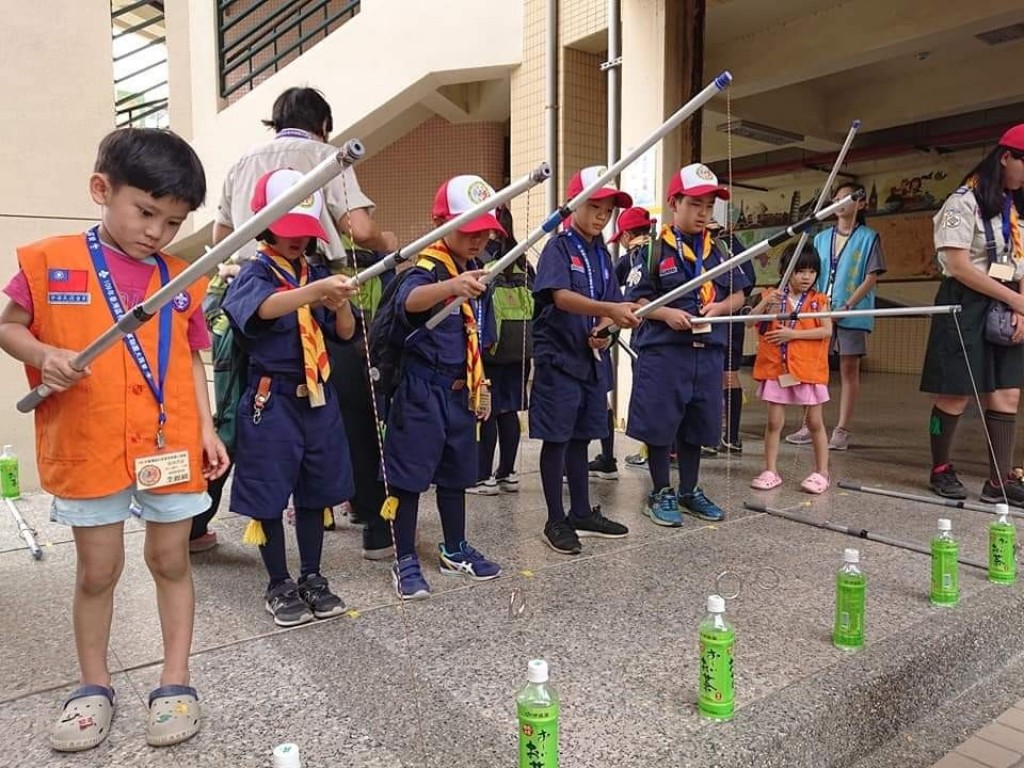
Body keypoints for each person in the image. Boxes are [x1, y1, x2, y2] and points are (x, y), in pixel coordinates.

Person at [0, 127, 229, 751]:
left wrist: (207, 428)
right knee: (98, 570)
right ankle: (93, 687)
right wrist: (43, 353)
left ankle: (176, 682)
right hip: (89, 439)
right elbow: (8, 326)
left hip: (169, 443)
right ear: (102, 189)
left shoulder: (183, 276)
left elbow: (188, 359)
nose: (155, 231)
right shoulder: (49, 260)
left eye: (172, 219)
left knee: (170, 560)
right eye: (145, 211)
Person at [222, 168, 359, 626]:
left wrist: (337, 306)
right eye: (288, 231)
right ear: (267, 226)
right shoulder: (255, 272)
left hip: (317, 398)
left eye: (305, 232)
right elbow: (262, 309)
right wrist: (312, 293)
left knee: (316, 490)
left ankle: (313, 575)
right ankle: (279, 581)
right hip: (272, 400)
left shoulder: (317, 273)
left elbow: (345, 334)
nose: (298, 240)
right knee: (268, 493)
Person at [383, 174, 503, 599]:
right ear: (440, 223)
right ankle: (404, 559)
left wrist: (480, 383)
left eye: (485, 231)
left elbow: (475, 335)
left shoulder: (473, 269)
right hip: (421, 389)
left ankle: (454, 548)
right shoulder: (429, 266)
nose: (478, 239)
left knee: (456, 474)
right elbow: (409, 301)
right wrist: (451, 288)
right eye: (468, 230)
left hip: (459, 390)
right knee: (410, 478)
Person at [625, 163, 750, 527]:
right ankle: (661, 490)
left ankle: (689, 490)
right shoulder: (651, 250)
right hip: (665, 352)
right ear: (674, 203)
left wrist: (721, 307)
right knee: (661, 425)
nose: (703, 213)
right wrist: (666, 315)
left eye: (709, 206)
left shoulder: (721, 249)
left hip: (707, 352)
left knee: (698, 424)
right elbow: (634, 303)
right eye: (696, 205)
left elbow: (740, 294)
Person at [530, 167, 641, 554]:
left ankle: (580, 511)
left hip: (590, 359)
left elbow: (609, 305)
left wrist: (605, 325)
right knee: (557, 440)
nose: (600, 216)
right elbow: (559, 296)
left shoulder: (600, 253)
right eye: (594, 206)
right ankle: (554, 519)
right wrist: (609, 308)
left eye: (607, 210)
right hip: (558, 360)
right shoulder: (559, 247)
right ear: (574, 204)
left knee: (581, 438)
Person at [920, 124, 1024, 505]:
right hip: (964, 301)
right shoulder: (963, 201)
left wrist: (1020, 307)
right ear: (1006, 158)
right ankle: (941, 468)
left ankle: (999, 480)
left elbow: (1020, 261)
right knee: (956, 394)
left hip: (1007, 302)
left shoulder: (1016, 206)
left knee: (1007, 393)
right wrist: (1015, 301)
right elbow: (959, 265)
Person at [214, 86, 396, 262]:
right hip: (307, 276)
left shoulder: (241, 163)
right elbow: (361, 231)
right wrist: (384, 241)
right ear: (324, 125)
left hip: (251, 278)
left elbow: (221, 238)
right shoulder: (329, 157)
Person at [786, 181, 885, 450]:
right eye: (837, 199)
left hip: (852, 313)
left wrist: (848, 306)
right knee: (812, 366)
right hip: (820, 311)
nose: (841, 204)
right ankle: (809, 424)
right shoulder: (820, 238)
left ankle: (842, 430)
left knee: (849, 369)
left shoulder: (869, 237)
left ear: (861, 203)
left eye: (847, 198)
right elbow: (812, 275)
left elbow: (872, 276)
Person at [749, 243, 832, 493]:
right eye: (799, 271)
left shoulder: (819, 301)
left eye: (811, 271)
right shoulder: (771, 296)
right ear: (786, 271)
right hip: (777, 370)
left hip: (809, 370)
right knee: (774, 421)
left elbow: (826, 330)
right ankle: (770, 470)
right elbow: (750, 321)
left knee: (815, 422)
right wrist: (766, 305)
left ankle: (822, 472)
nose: (806, 277)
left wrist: (791, 335)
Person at [470, 205, 533, 495]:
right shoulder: (521, 257)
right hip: (520, 346)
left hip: (490, 346)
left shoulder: (481, 256)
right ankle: (507, 472)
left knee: (487, 410)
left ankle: (483, 476)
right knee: (509, 410)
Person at [609, 206, 657, 471]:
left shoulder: (634, 257)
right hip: (668, 338)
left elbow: (611, 289)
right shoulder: (663, 250)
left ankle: (649, 450)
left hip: (645, 335)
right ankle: (667, 449)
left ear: (626, 235)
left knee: (647, 396)